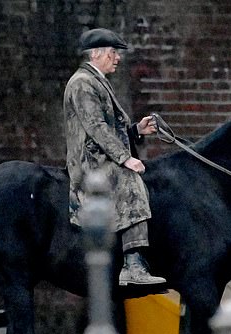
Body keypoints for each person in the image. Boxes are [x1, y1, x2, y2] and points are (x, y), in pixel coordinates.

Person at [64, 27, 166, 286]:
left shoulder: (96, 81)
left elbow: (109, 129)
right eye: (113, 53)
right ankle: (132, 265)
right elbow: (96, 127)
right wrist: (125, 158)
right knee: (131, 182)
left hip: (101, 153)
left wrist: (136, 131)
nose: (117, 58)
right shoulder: (82, 83)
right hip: (90, 163)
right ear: (96, 54)